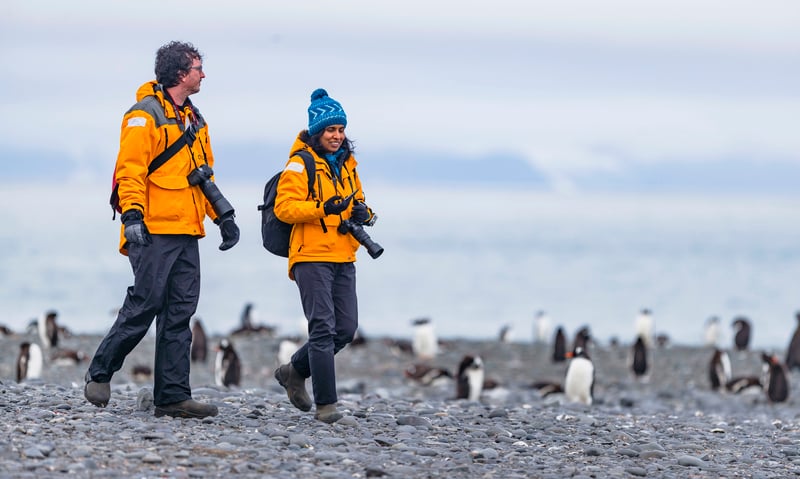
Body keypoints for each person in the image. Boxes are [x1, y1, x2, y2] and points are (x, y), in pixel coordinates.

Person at [84, 41, 240, 419]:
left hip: (187, 228)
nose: (203, 74)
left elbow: (202, 177)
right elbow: (130, 170)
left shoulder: (195, 120)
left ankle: (172, 396)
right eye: (198, 68)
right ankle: (100, 372)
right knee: (146, 302)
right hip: (152, 228)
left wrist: (222, 217)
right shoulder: (143, 116)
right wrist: (132, 215)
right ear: (179, 73)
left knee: (180, 313)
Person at [273, 88, 377, 423]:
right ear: (317, 132)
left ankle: (294, 370)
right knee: (322, 328)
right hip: (310, 255)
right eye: (331, 130)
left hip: (344, 255)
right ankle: (327, 406)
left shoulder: (348, 165)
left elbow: (357, 199)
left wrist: (366, 214)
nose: (337, 136)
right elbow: (285, 208)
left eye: (341, 130)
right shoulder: (299, 164)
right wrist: (322, 208)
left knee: (345, 329)